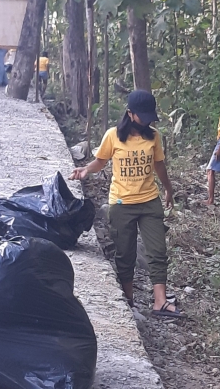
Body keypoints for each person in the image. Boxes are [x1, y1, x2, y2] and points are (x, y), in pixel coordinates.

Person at [69, 90, 182, 318]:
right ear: (130, 114)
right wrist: (85, 170)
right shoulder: (113, 136)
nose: (148, 120)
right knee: (125, 254)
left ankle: (160, 301)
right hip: (121, 203)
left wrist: (168, 188)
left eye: (150, 116)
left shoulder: (154, 137)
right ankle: (128, 300)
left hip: (149, 201)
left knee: (158, 251)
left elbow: (160, 166)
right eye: (143, 116)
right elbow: (101, 161)